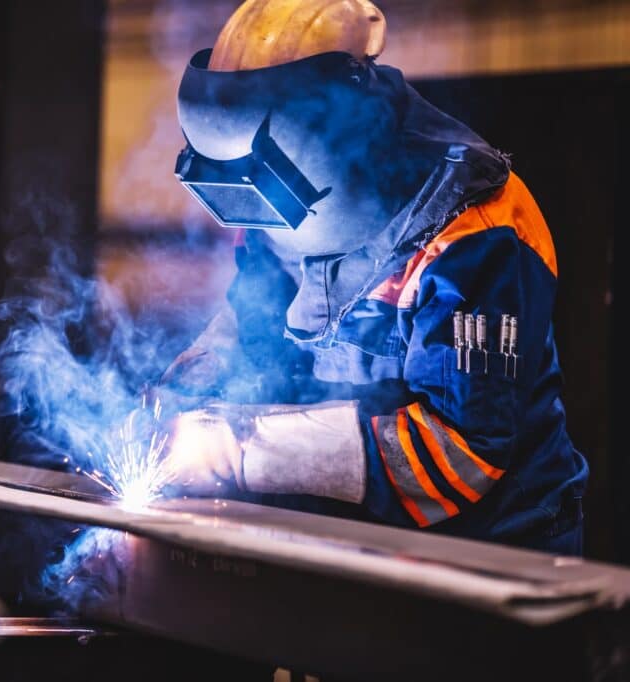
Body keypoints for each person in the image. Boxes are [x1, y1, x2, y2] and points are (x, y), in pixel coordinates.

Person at [157, 0, 588, 554]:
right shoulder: (275, 196)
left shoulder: (473, 229)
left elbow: (460, 456)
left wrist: (238, 447)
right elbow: (254, 316)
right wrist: (199, 378)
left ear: (341, 133)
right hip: (351, 539)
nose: (259, 222)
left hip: (491, 554)